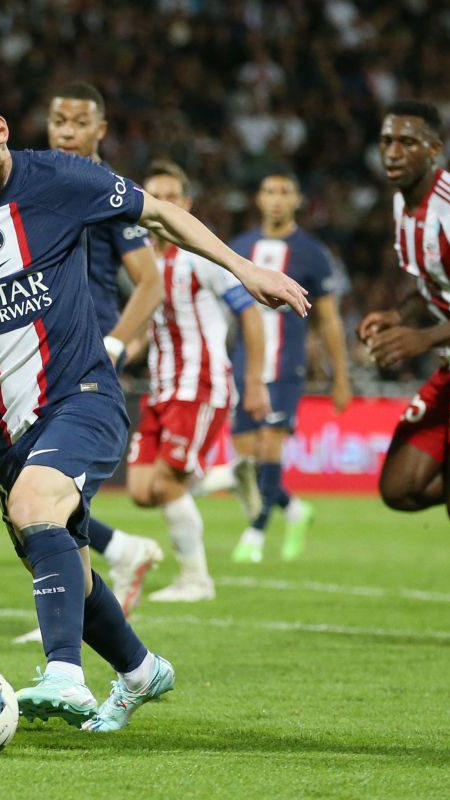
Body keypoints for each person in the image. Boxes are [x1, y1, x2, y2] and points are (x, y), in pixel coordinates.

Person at [0, 76, 308, 732]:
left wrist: (243, 268)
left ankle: (64, 675)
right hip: (7, 418)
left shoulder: (61, 179)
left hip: (84, 393)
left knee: (36, 507)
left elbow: (161, 215)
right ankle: (143, 671)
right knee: (62, 565)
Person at [0, 84, 165, 634]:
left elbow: (150, 284)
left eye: (79, 122)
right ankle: (117, 554)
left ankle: (64, 614)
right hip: (36, 353)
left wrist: (114, 346)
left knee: (40, 493)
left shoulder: (106, 193)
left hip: (83, 355)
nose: (66, 130)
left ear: (100, 130)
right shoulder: (35, 181)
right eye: (58, 119)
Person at [126, 161, 268, 603]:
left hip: (201, 384)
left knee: (167, 483)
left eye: (172, 196)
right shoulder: (140, 263)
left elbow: (250, 314)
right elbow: (145, 331)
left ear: (186, 205)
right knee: (141, 490)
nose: (162, 204)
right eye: (155, 195)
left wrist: (256, 381)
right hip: (162, 387)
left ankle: (196, 580)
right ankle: (226, 476)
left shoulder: (202, 259)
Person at [358, 99, 450, 548]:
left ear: (434, 150)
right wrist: (397, 316)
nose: (393, 151)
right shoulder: (401, 205)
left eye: (408, 142)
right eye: (387, 141)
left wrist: (422, 338)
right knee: (400, 489)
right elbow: (430, 283)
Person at [225, 171, 351, 563]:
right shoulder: (239, 247)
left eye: (284, 192)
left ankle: (255, 533)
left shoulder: (312, 252)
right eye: (268, 191)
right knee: (246, 460)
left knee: (269, 447)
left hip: (286, 364)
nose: (276, 199)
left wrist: (340, 375)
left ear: (298, 200)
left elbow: (329, 319)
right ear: (258, 199)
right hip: (245, 364)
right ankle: (295, 509)